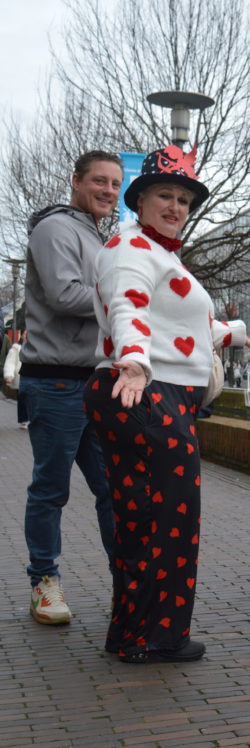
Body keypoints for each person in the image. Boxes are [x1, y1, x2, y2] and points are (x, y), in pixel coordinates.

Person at [83, 145, 250, 663]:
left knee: (149, 518)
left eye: (184, 199)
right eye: (165, 195)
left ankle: (137, 634)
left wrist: (231, 333)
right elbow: (129, 306)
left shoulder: (156, 253)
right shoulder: (131, 248)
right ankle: (150, 637)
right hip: (145, 390)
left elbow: (177, 325)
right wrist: (135, 361)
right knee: (165, 522)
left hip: (155, 390)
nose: (176, 206)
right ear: (139, 200)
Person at [19, 151, 122, 625]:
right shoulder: (55, 229)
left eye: (115, 184)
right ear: (76, 181)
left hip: (95, 379)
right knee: (50, 489)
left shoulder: (96, 235)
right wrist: (128, 300)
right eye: (99, 181)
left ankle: (127, 581)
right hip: (57, 381)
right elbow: (64, 295)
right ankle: (44, 581)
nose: (108, 191)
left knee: (115, 488)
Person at [4, 330, 29, 428]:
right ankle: (24, 420)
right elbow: (10, 362)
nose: (27, 335)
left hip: (34, 377)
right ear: (21, 335)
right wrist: (9, 375)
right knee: (22, 399)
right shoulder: (16, 348)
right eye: (25, 333)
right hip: (21, 377)